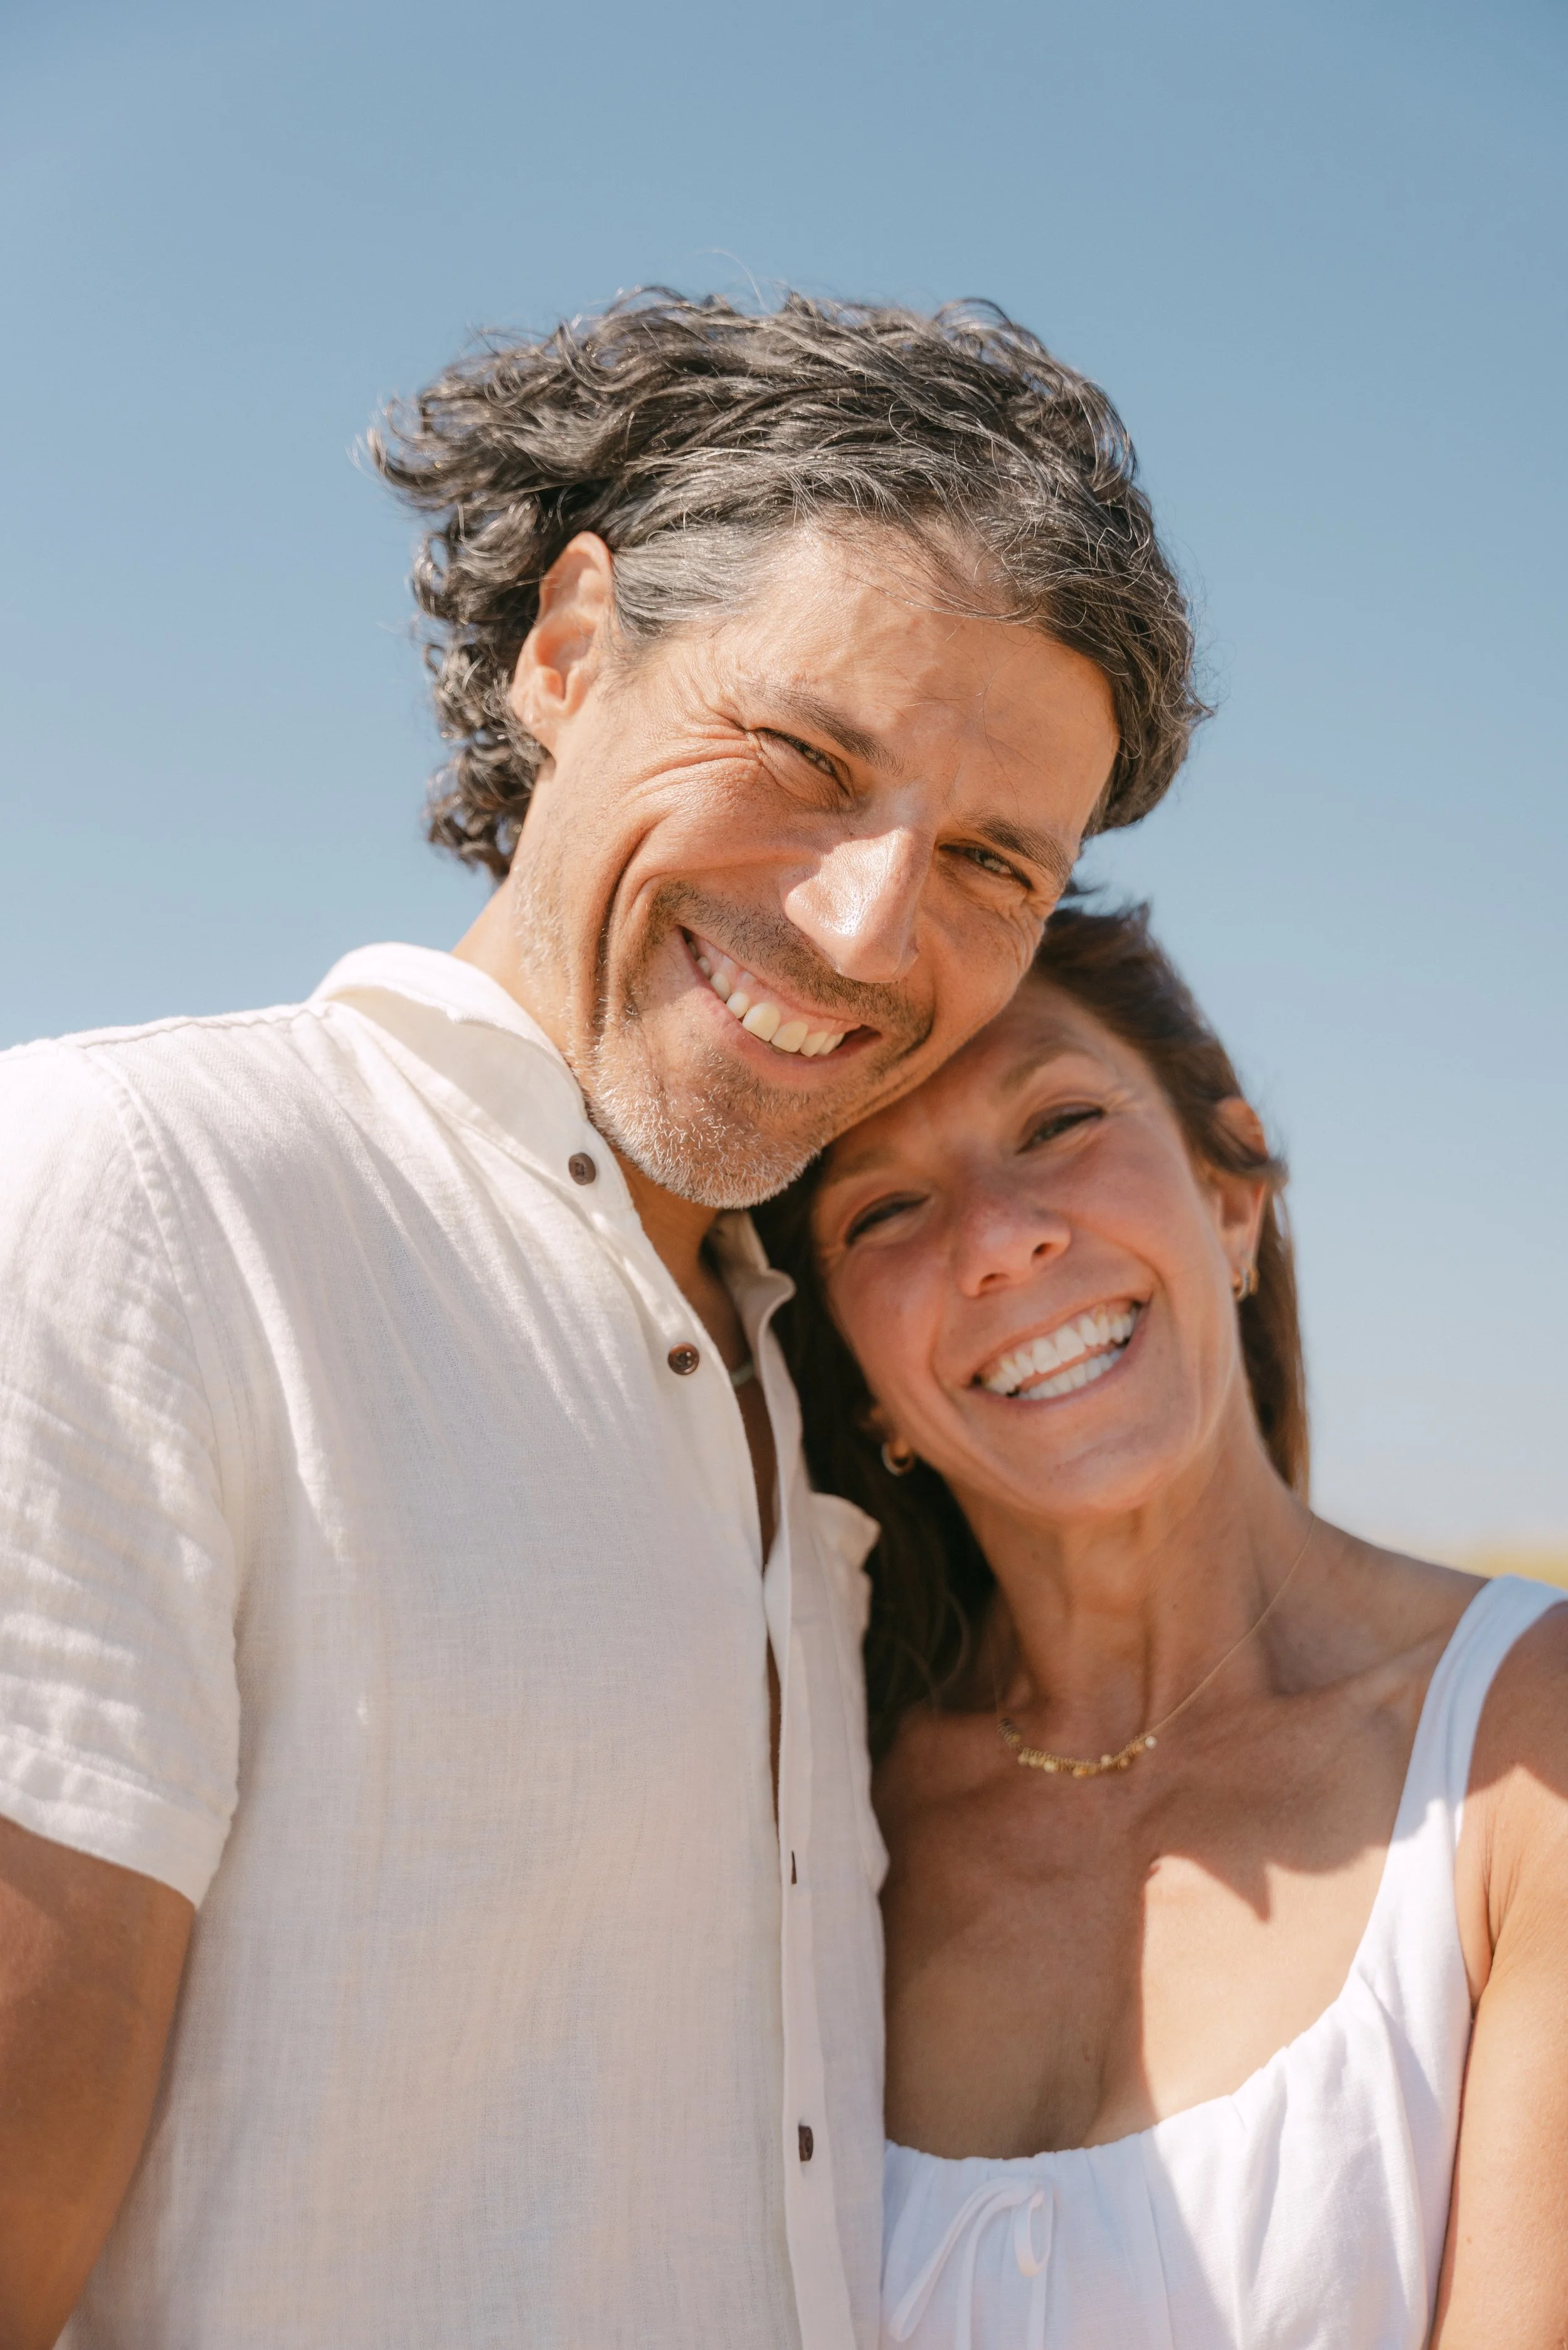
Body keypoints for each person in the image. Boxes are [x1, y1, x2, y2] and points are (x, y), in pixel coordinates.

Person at [0, 295, 1203, 2348]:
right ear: (571, 649)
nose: (864, 930)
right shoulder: (144, 1188)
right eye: (804, 754)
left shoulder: (805, 1360)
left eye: (995, 862)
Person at [759, 899, 1568, 2349]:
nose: (1000, 1241)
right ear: (863, 1383)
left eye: (1057, 1120)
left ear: (1232, 1193)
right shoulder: (815, 1823)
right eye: (884, 1207)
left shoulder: (1524, 1748)